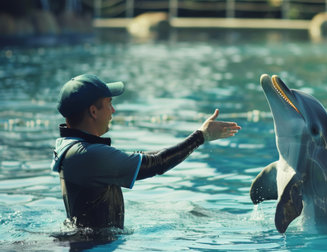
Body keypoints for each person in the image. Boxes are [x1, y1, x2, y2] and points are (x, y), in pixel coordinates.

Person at [51, 74, 241, 230]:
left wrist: (200, 137)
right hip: (93, 246)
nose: (113, 110)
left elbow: (143, 157)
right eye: (109, 103)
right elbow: (156, 164)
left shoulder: (76, 148)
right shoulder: (87, 154)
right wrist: (201, 136)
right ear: (93, 111)